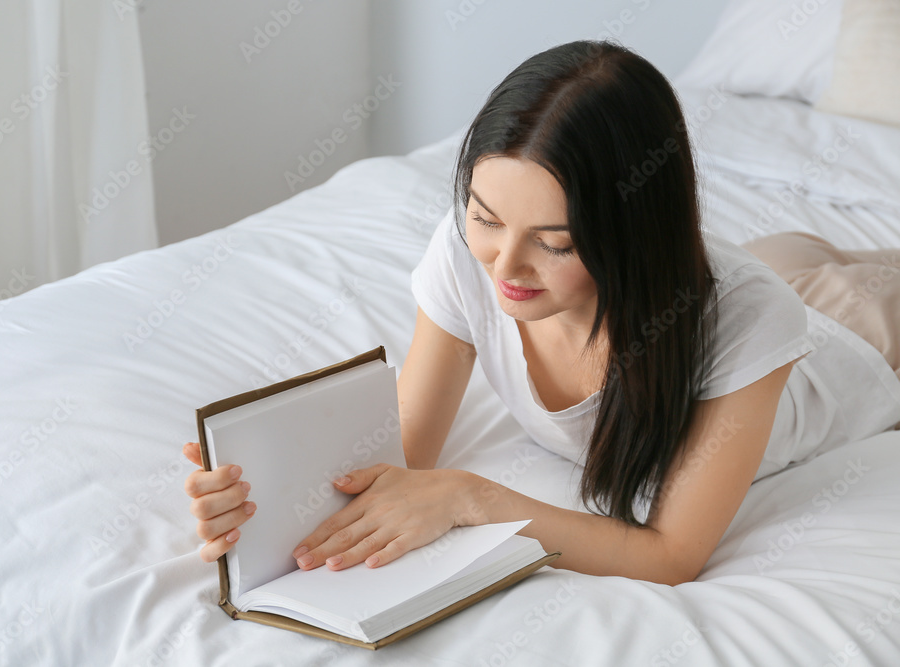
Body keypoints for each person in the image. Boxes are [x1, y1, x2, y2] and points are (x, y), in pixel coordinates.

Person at [182, 40, 900, 585]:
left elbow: (671, 554)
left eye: (552, 243)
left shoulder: (746, 321)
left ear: (631, 236)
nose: (504, 267)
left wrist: (472, 498)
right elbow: (401, 451)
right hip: (761, 263)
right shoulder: (473, 254)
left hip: (853, 333)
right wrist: (259, 496)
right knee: (788, 253)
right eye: (486, 218)